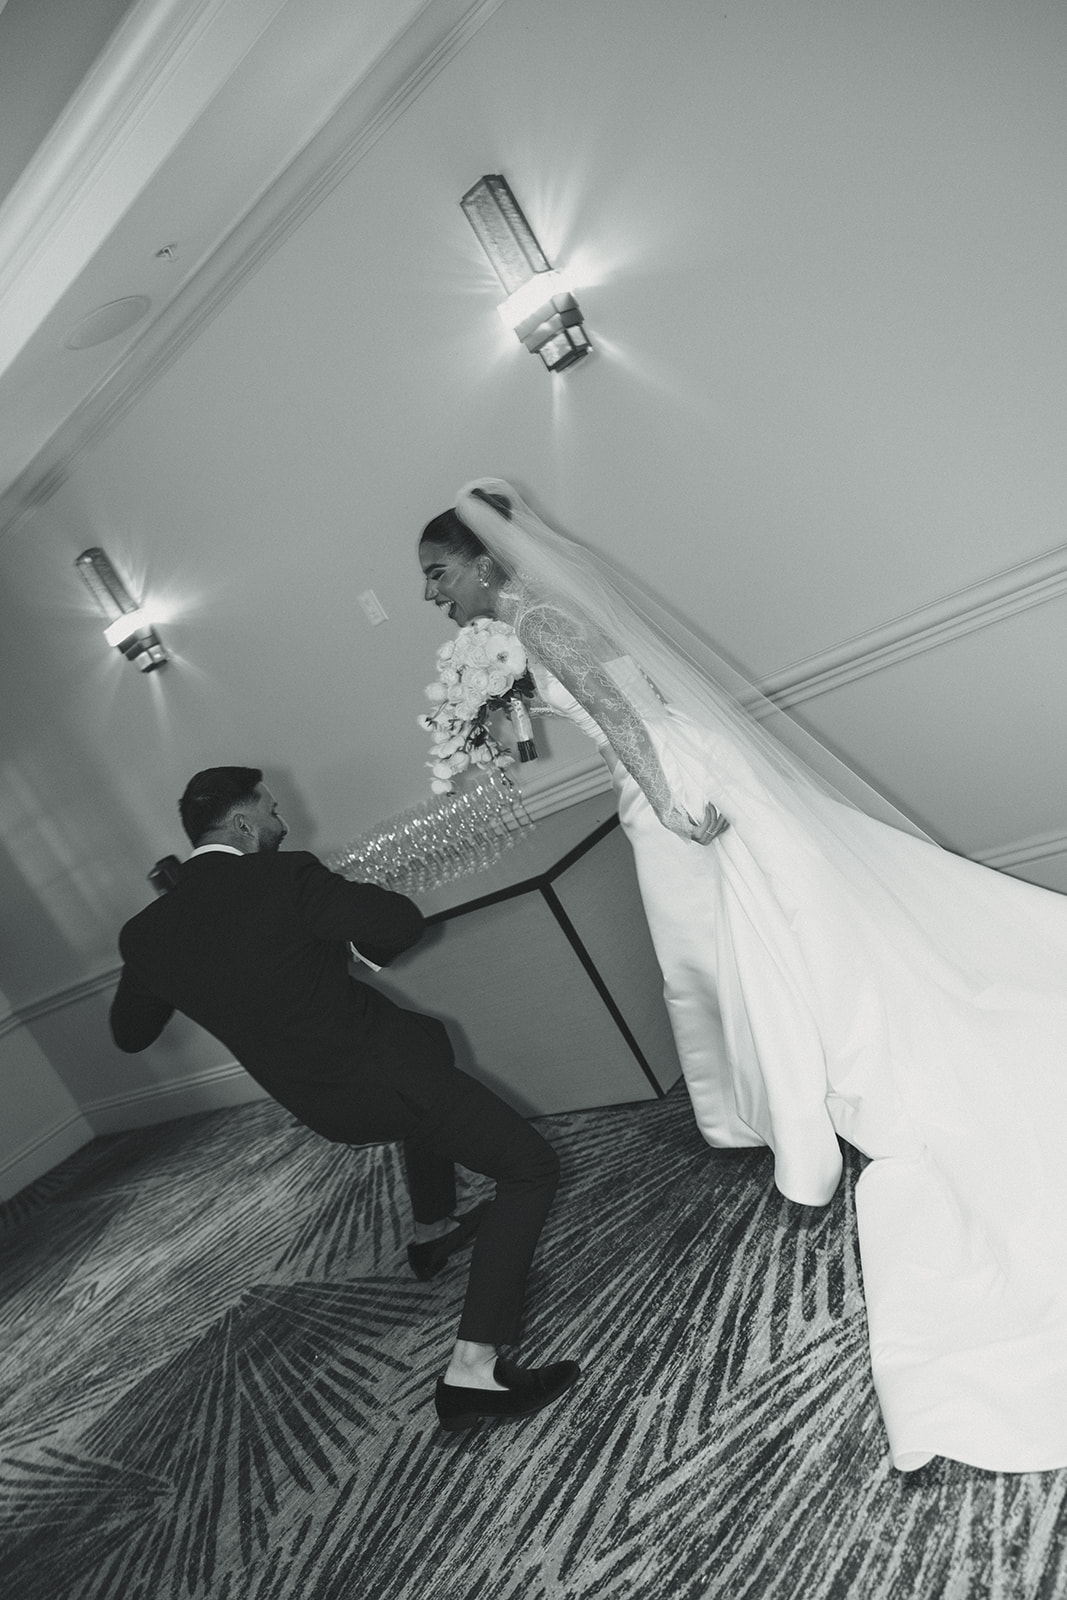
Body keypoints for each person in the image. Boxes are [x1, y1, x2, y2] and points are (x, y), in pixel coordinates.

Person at [417, 478, 1067, 1474]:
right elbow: (550, 726)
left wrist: (673, 806)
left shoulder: (538, 616)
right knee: (749, 949)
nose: (430, 593)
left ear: (480, 559)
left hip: (670, 783)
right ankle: (783, 1111)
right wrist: (490, 714)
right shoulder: (512, 631)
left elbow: (619, 708)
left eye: (435, 572)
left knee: (736, 951)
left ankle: (803, 1111)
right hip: (661, 776)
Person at [109, 765, 579, 1431]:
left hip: (320, 1104)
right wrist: (359, 948)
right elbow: (400, 920)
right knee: (530, 1166)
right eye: (270, 811)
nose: (282, 822)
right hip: (382, 1077)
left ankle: (432, 1229)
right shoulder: (284, 875)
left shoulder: (147, 933)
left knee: (428, 1035)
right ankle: (473, 1371)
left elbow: (131, 1032)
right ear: (242, 824)